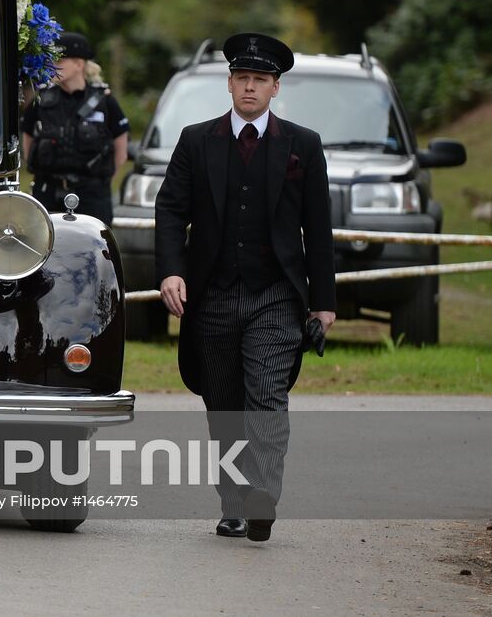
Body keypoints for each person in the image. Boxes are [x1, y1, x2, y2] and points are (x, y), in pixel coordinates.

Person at [153, 32, 336, 543]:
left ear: (276, 88)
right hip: (210, 294)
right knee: (225, 405)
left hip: (276, 294)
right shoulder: (196, 140)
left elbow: (318, 229)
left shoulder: (303, 144)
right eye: (242, 78)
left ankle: (263, 497)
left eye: (260, 80)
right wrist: (171, 270)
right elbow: (169, 209)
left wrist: (324, 302)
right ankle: (233, 504)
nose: (250, 87)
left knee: (267, 396)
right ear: (229, 84)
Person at [20, 31, 129, 222]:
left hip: (92, 196)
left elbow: (121, 152)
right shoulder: (41, 100)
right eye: (51, 60)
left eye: (60, 61)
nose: (53, 66)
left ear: (79, 64)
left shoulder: (104, 101)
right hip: (48, 193)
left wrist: (100, 185)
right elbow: (28, 142)